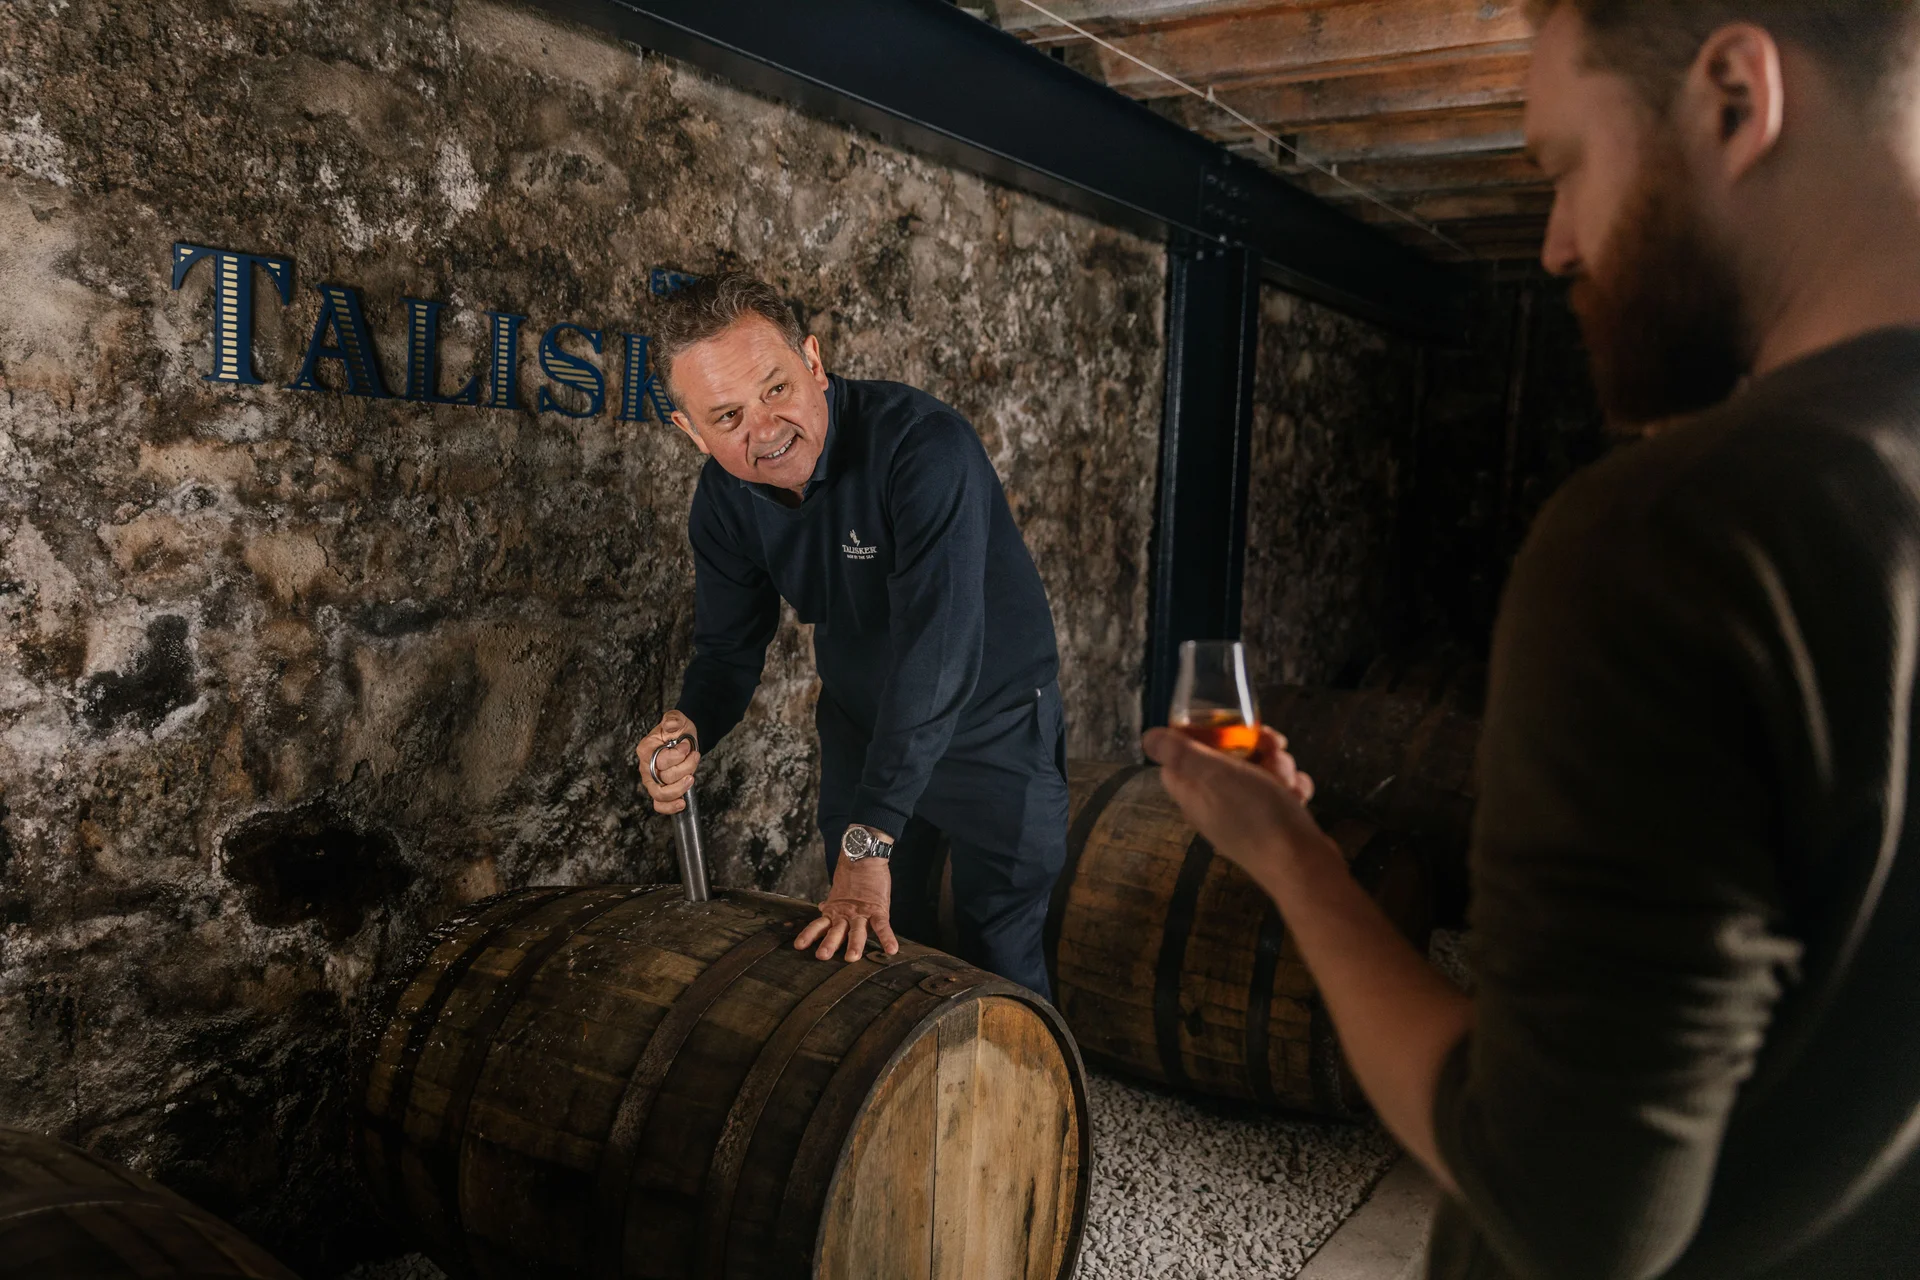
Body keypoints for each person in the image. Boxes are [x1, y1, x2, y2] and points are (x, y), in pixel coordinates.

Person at [1144, 2, 1920, 1277]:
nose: (1555, 244)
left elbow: (1568, 1204)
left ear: (1734, 95)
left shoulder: (1682, 532)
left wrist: (1295, 858)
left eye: (1565, 165)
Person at [634, 272, 1068, 998]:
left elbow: (939, 655)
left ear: (812, 362)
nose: (765, 432)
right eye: (728, 416)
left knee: (1000, 946)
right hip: (864, 731)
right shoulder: (723, 502)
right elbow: (728, 650)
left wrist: (867, 844)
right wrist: (690, 726)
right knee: (881, 958)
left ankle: (1043, 1107)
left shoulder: (923, 448)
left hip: (991, 730)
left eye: (775, 389)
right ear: (691, 432)